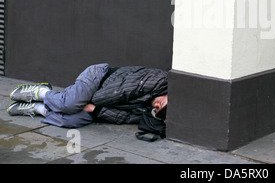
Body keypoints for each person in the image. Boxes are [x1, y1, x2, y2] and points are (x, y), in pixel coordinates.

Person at [7, 63, 168, 128]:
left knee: (71, 120)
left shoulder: (150, 112)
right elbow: (118, 91)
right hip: (98, 77)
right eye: (162, 104)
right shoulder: (159, 80)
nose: (156, 106)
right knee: (70, 103)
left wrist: (96, 110)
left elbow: (123, 118)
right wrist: (94, 105)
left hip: (99, 102)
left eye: (158, 110)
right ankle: (41, 92)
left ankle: (38, 108)